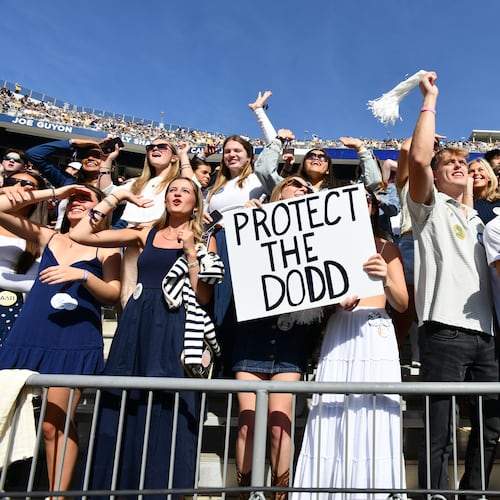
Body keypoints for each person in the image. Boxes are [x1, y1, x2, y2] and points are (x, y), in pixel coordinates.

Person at [69, 177, 223, 499]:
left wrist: (191, 251)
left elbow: (203, 296)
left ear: (196, 203)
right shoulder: (145, 232)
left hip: (175, 325)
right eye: (173, 190)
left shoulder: (204, 238)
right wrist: (117, 197)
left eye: (186, 191)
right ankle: (113, 486)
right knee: (125, 398)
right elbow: (81, 234)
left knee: (169, 403)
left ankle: (161, 488)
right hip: (137, 323)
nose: (178, 194)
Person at [407, 71, 500, 496]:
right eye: (451, 163)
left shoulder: (483, 222)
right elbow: (420, 160)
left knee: (490, 428)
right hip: (444, 331)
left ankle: (472, 491)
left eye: (464, 162)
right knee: (439, 431)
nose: (459, 166)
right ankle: (434, 494)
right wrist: (430, 98)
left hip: (488, 336)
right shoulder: (429, 210)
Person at [0, 183, 121, 497]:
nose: (78, 202)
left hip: (73, 336)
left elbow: (113, 293)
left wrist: (82, 275)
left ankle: (58, 495)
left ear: (102, 209)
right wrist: (55, 192)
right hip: (31, 332)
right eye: (75, 199)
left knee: (55, 424)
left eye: (87, 198)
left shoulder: (107, 247)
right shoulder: (47, 235)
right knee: (4, 412)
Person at [292, 188, 408, 499]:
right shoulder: (325, 246)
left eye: (366, 200)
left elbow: (401, 303)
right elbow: (315, 300)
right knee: (332, 407)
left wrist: (385, 275)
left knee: (376, 408)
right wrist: (334, 304)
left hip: (375, 333)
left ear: (374, 207)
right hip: (340, 331)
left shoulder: (387, 248)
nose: (360, 205)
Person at [234, 175, 321, 500]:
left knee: (279, 426)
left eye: (307, 188)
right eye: (294, 183)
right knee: (248, 423)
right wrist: (244, 220)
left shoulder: (318, 232)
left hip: (291, 341)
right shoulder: (253, 220)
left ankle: (279, 496)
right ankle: (243, 494)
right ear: (278, 191)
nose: (302, 188)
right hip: (253, 336)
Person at [204, 135, 266, 375]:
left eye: (238, 150)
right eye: (227, 151)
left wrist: (259, 112)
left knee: (234, 304)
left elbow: (273, 154)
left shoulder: (257, 179)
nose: (231, 154)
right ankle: (216, 364)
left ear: (249, 156)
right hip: (214, 243)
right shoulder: (214, 188)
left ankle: (235, 365)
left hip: (243, 243)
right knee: (215, 304)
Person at [0, 170, 48, 347]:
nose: (18, 187)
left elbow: (35, 282)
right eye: (13, 181)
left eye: (27, 185)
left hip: (11, 307)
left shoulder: (39, 234)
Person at [254, 131, 382, 196]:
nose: (316, 158)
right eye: (311, 155)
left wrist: (361, 148)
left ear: (328, 169)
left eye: (322, 157)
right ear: (303, 164)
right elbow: (264, 171)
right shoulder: (288, 187)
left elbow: (372, 182)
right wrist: (278, 140)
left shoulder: (341, 192)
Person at [467, 157, 500, 224]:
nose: (476, 173)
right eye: (471, 171)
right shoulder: (463, 203)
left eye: (480, 170)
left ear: (489, 177)